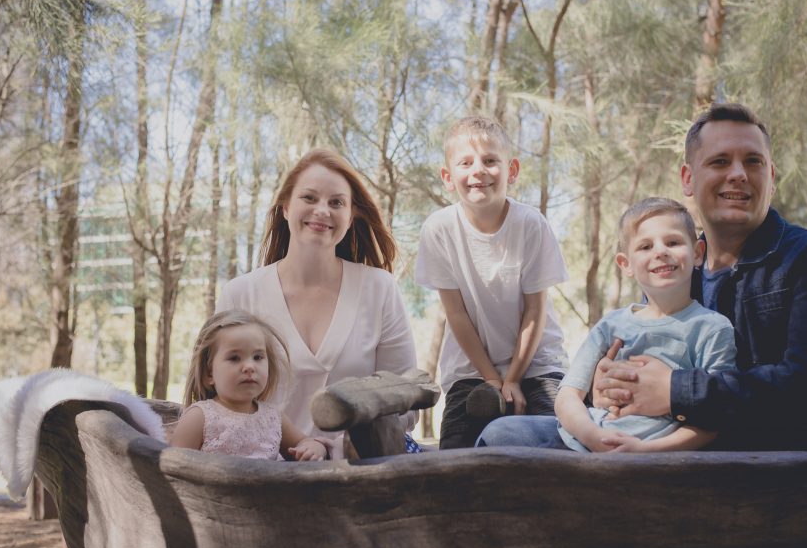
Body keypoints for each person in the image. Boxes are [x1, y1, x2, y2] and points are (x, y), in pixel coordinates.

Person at [480, 102, 807, 455]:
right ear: (688, 178)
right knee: (503, 436)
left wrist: (676, 391)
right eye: (720, 162)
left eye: (753, 162)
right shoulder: (673, 269)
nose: (738, 174)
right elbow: (627, 356)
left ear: (771, 178)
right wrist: (611, 385)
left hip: (770, 454)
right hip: (646, 440)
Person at [217, 150, 419, 452]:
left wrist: (335, 447)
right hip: (262, 473)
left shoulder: (380, 288)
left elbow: (404, 400)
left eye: (336, 202)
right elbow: (216, 397)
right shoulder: (240, 295)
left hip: (359, 468)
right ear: (285, 207)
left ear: (351, 218)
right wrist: (294, 449)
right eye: (309, 198)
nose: (322, 210)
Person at [415, 115, 568, 449]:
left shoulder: (531, 225)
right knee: (457, 452)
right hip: (471, 369)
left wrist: (513, 379)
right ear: (447, 177)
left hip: (538, 365)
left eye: (489, 161)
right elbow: (456, 314)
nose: (478, 171)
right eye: (465, 163)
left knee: (563, 443)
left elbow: (535, 311)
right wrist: (493, 380)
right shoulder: (439, 229)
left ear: (511, 170)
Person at [555, 198, 736, 452]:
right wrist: (592, 435)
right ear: (625, 264)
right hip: (585, 442)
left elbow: (715, 416)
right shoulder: (611, 325)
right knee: (503, 434)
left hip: (659, 456)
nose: (660, 251)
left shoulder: (712, 329)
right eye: (645, 246)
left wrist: (647, 452)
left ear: (697, 253)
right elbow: (568, 394)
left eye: (673, 242)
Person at [171, 309, 328, 461]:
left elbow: (303, 442)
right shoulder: (200, 417)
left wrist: (313, 448)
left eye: (258, 357)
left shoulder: (273, 418)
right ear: (209, 373)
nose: (249, 366)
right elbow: (174, 467)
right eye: (234, 358)